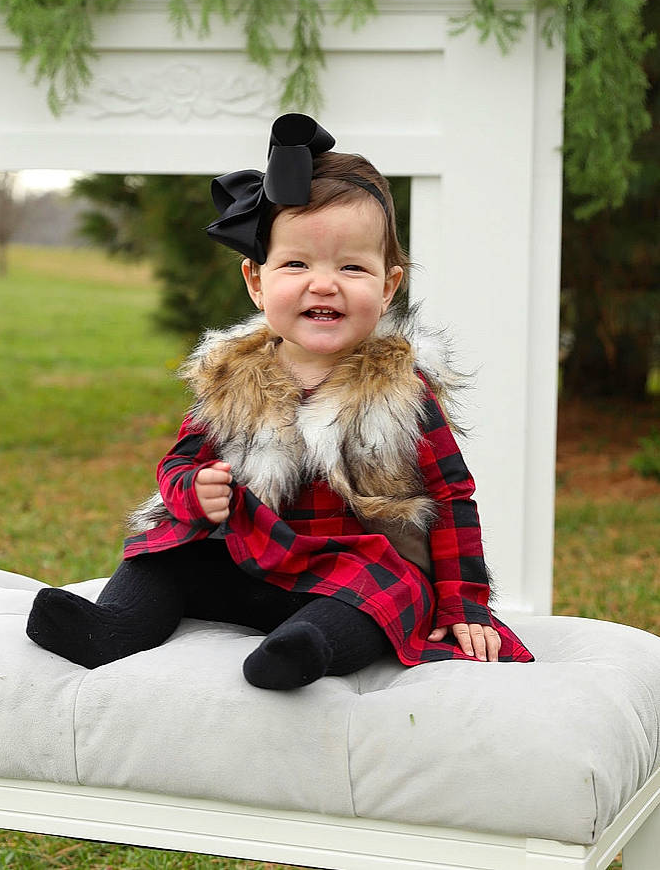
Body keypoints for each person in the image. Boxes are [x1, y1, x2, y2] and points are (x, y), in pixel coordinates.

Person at [27, 113, 533, 688]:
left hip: (350, 566)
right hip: (250, 555)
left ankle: (303, 651)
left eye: (351, 266)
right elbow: (177, 465)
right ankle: (111, 628)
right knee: (164, 551)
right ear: (256, 281)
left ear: (388, 285)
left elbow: (451, 497)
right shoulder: (234, 380)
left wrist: (462, 603)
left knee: (385, 594)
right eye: (296, 263)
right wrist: (195, 492)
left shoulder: (401, 391)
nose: (324, 283)